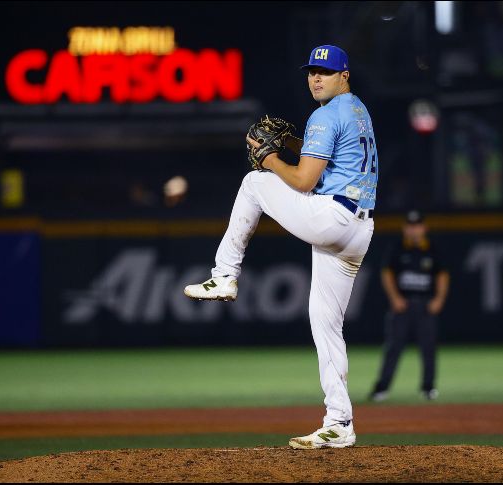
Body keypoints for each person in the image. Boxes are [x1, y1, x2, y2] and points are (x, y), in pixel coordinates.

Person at [183, 45, 377, 449]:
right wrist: (290, 142)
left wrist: (270, 158)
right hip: (358, 228)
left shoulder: (325, 114)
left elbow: (305, 182)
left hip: (332, 217)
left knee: (255, 183)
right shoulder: (357, 109)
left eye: (325, 72)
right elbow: (326, 164)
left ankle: (224, 276)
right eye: (311, 72)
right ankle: (339, 422)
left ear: (345, 75)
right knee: (325, 321)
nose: (316, 78)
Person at [369, 210, 449, 402]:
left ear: (424, 228)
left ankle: (428, 388)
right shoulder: (397, 248)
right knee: (393, 348)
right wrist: (395, 298)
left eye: (417, 226)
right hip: (402, 307)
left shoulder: (432, 249)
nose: (414, 230)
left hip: (425, 306)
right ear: (405, 228)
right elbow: (386, 274)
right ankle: (382, 388)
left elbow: (442, 275)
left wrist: (439, 299)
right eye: (410, 226)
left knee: (428, 348)